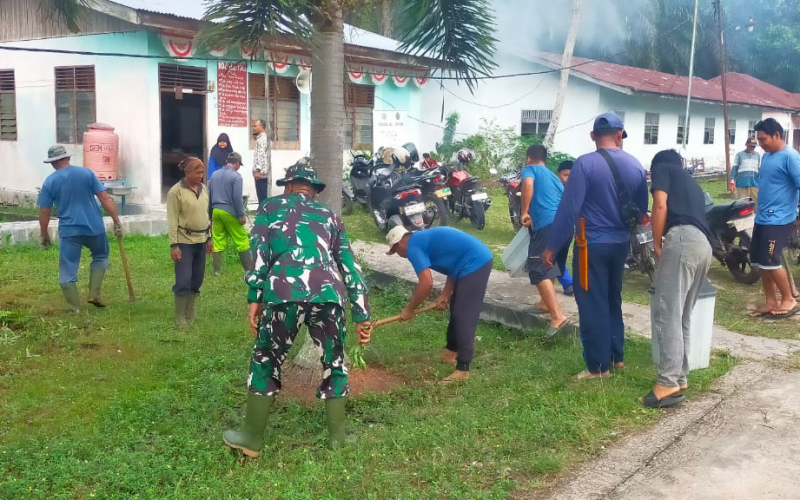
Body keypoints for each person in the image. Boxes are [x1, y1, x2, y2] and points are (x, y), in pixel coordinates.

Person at [223, 159, 372, 456]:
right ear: (313, 190)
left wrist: (254, 297)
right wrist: (362, 314)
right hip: (329, 296)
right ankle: (338, 438)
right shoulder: (329, 216)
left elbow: (259, 255)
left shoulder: (270, 207)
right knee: (335, 362)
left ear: (289, 186)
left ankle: (251, 439)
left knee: (266, 358)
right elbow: (350, 266)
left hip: (283, 293)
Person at [543, 112, 648, 380]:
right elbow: (641, 210)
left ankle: (598, 367)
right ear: (619, 135)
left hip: (591, 246)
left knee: (592, 302)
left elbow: (569, 210)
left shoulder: (584, 164)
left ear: (592, 136)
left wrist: (552, 247)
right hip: (621, 244)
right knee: (612, 298)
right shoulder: (635, 165)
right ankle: (616, 357)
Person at [645, 149, 713, 408]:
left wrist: (656, 243)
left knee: (667, 312)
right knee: (682, 314)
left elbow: (660, 204)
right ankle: (680, 377)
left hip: (683, 239)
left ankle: (667, 381)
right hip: (703, 246)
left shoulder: (663, 168)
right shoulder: (692, 183)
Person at [386, 225, 493, 382]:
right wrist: (445, 294)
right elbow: (453, 263)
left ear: (399, 243)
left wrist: (410, 309)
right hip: (466, 262)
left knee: (464, 314)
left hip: (476, 262)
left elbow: (426, 283)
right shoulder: (419, 240)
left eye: (396, 251)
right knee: (457, 309)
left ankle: (463, 369)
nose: (400, 255)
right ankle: (450, 354)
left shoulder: (413, 247)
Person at [37, 145, 123, 313]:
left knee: (68, 268)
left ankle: (74, 308)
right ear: (68, 158)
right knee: (101, 255)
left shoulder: (50, 181)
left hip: (69, 230)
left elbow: (44, 210)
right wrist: (116, 220)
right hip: (94, 227)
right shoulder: (87, 173)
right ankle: (94, 294)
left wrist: (44, 233)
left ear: (52, 163)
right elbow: (104, 198)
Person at [749, 118, 800, 318]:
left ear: (777, 135)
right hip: (762, 218)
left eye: (763, 139)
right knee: (760, 261)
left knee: (770, 260)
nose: (760, 144)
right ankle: (771, 301)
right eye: (759, 140)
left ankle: (789, 299)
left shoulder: (791, 157)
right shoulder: (767, 157)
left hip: (779, 220)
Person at [519, 144, 571, 337]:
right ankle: (544, 304)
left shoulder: (530, 169)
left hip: (547, 225)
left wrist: (524, 212)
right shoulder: (552, 176)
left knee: (537, 267)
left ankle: (557, 316)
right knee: (551, 264)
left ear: (528, 159)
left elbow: (528, 184)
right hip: (566, 226)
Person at [167, 157, 213, 329]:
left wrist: (209, 238)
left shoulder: (204, 189)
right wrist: (174, 245)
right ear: (187, 172)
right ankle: (180, 316)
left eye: (202, 172)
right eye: (197, 172)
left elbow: (207, 215)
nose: (201, 176)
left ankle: (190, 311)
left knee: (197, 278)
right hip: (184, 242)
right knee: (183, 280)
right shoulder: (175, 192)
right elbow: (172, 220)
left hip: (201, 240)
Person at [208, 152, 251, 276]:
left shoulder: (214, 175)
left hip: (216, 211)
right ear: (237, 163)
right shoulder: (236, 177)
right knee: (241, 239)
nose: (239, 167)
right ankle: (249, 270)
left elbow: (209, 195)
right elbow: (237, 198)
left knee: (218, 240)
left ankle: (216, 271)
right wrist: (241, 215)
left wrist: (210, 213)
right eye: (239, 165)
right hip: (230, 212)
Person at [555, 160, 575, 296]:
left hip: (566, 228)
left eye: (571, 176)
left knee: (557, 257)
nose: (568, 179)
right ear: (558, 174)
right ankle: (568, 283)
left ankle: (568, 283)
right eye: (565, 175)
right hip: (553, 225)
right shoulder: (554, 188)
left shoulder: (575, 190)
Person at [729, 137, 761, 201]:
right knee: (743, 203)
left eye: (754, 146)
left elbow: (759, 169)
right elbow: (735, 168)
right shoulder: (739, 155)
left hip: (754, 183)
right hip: (742, 183)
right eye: (750, 146)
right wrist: (732, 181)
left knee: (756, 203)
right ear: (746, 144)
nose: (752, 148)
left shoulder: (757, 155)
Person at [252, 119, 270, 205]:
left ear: (261, 127)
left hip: (261, 174)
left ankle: (264, 212)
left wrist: (258, 170)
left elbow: (261, 155)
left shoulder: (262, 139)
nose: (254, 128)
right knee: (262, 197)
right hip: (260, 173)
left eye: (255, 126)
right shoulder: (260, 138)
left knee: (262, 198)